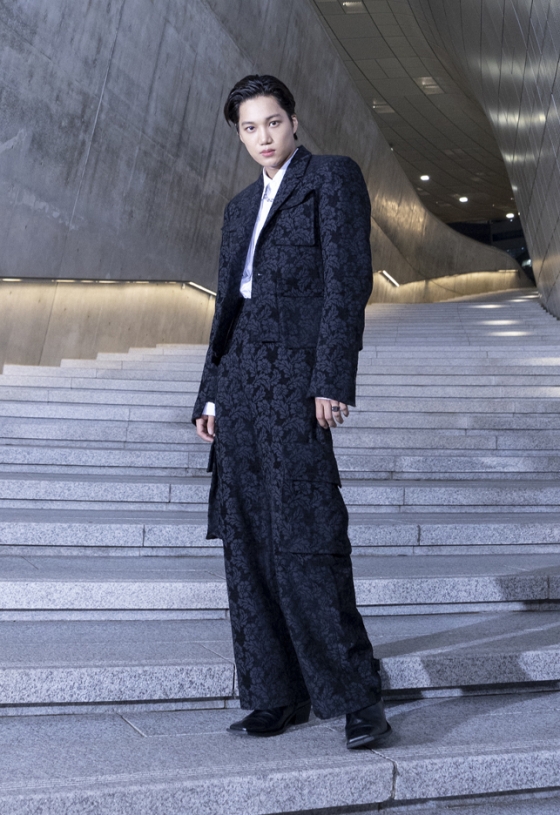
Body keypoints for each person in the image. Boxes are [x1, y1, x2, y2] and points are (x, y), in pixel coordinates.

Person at [192, 74, 390, 749]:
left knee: (309, 535)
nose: (264, 137)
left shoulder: (331, 179)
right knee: (247, 542)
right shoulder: (239, 207)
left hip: (297, 379)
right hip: (240, 381)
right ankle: (275, 694)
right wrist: (209, 393)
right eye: (250, 128)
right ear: (239, 135)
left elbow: (347, 283)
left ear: (294, 120)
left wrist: (331, 378)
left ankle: (357, 695)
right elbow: (226, 308)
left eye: (272, 122)